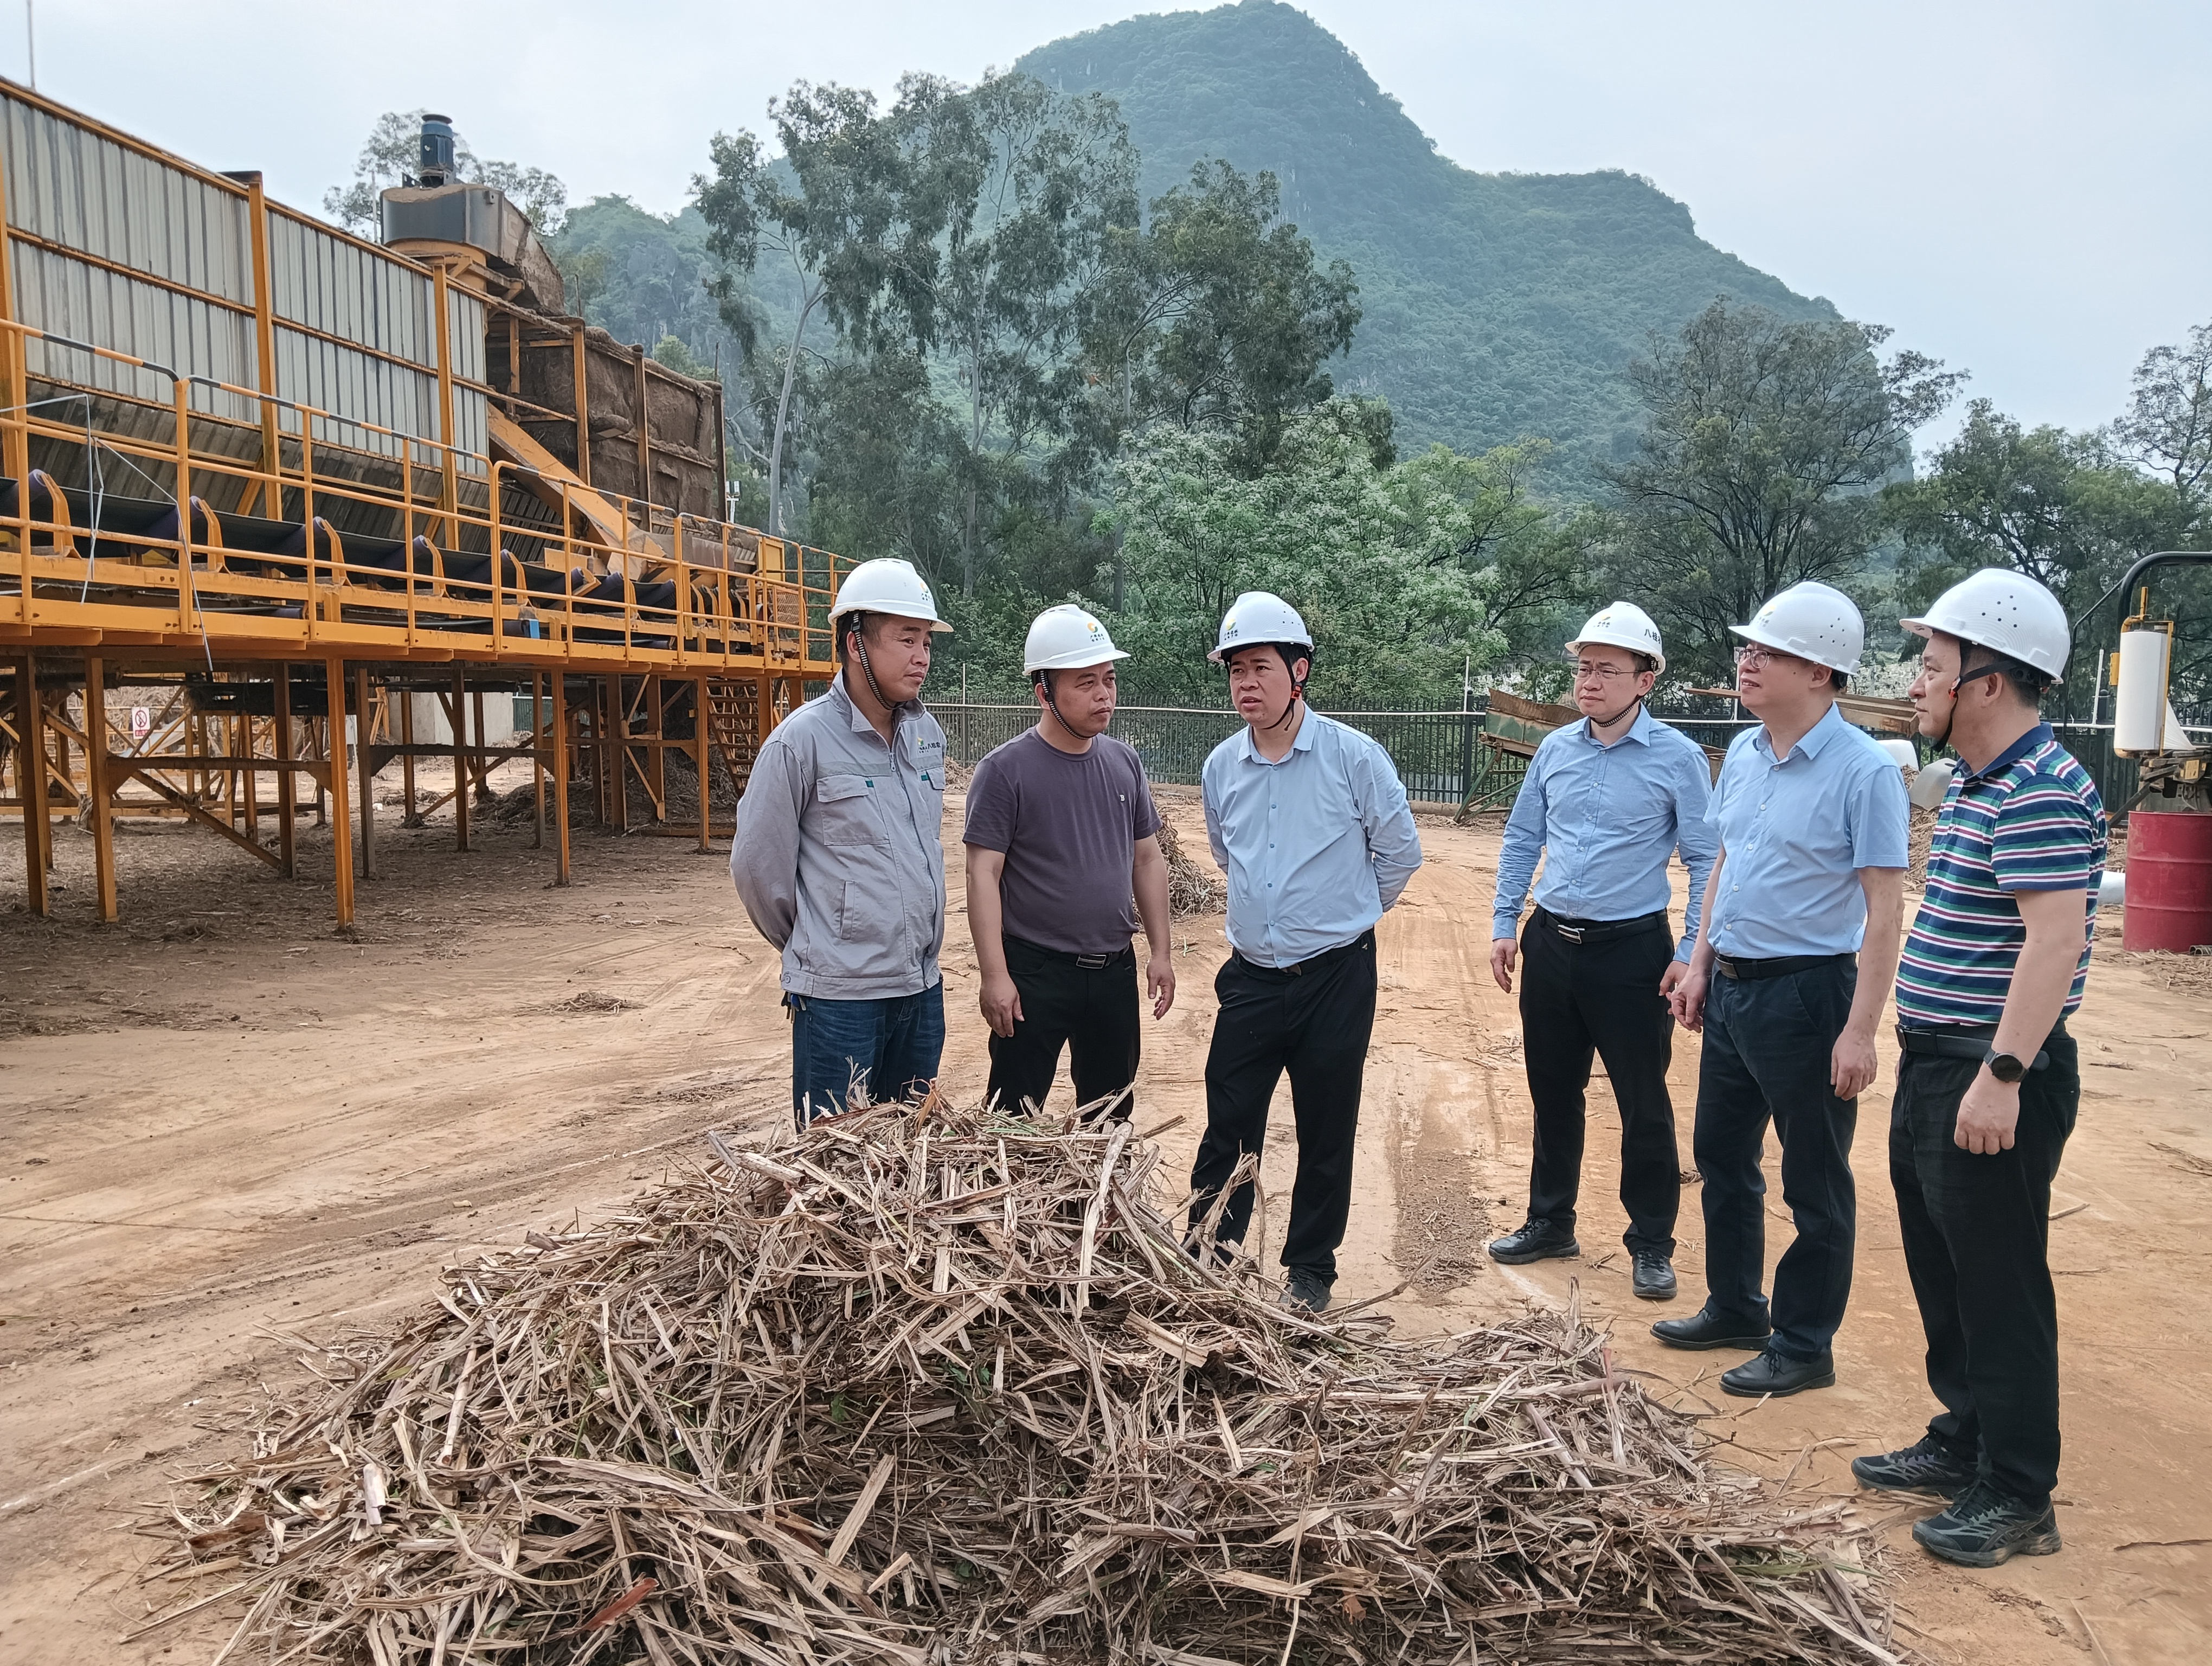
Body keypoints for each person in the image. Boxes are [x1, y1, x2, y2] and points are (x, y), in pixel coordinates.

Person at [1853, 569, 2102, 1568]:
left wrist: (2003, 1074)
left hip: (1989, 1067)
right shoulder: (1973, 780)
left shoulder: (2040, 788)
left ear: (1988, 681)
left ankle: (2019, 1492)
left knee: (1999, 1283)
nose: (1916, 683)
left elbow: (2055, 942)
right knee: (1944, 1266)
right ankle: (1964, 1437)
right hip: (1938, 1061)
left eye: (1932, 665)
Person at [1656, 580, 1908, 1396]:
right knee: (1722, 1156)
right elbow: (1727, 863)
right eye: (1749, 648)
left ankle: (1804, 1344)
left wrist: (1860, 1031)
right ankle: (1736, 1306)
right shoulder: (1746, 754)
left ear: (1821, 673)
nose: (1748, 662)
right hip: (1733, 989)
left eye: (1769, 652)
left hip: (1809, 994)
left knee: (1814, 1179)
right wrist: (1700, 963)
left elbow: (1884, 909)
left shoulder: (1864, 772)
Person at [1185, 592, 1424, 1314]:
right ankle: (1210, 1251)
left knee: (1326, 1122)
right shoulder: (1221, 767)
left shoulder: (1355, 758)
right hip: (1251, 979)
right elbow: (1228, 855)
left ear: (1300, 671)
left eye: (1261, 667)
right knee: (1230, 1120)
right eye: (1236, 671)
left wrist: (1342, 919)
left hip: (1336, 978)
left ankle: (1311, 1270)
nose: (1246, 684)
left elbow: (1399, 855)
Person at [1487, 602, 1718, 1301]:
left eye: (1606, 670)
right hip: (1551, 942)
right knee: (1552, 1091)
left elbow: (1707, 860)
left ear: (1646, 680)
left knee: (1642, 1101)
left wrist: (1690, 950)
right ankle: (1550, 1221)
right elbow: (1523, 837)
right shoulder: (1556, 750)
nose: (1588, 681)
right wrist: (1505, 921)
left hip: (1632, 954)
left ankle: (1651, 1242)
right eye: (1584, 668)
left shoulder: (1678, 758)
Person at [730, 558, 952, 1124]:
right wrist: (818, 944)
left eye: (927, 642)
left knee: (911, 1153)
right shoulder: (799, 743)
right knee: (836, 1159)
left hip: (920, 989)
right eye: (907, 639)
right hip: (839, 1003)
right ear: (856, 644)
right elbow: (756, 867)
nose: (923, 656)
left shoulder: (926, 735)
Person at [963, 604, 1177, 1120]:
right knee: (1013, 1119)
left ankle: (1102, 1179)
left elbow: (1147, 859)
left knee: (1110, 1116)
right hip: (1034, 973)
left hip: (1112, 972)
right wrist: (995, 975)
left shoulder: (1124, 762)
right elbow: (982, 874)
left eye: (1109, 679)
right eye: (1086, 683)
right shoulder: (1005, 771)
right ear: (1044, 692)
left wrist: (1161, 952)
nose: (1104, 694)